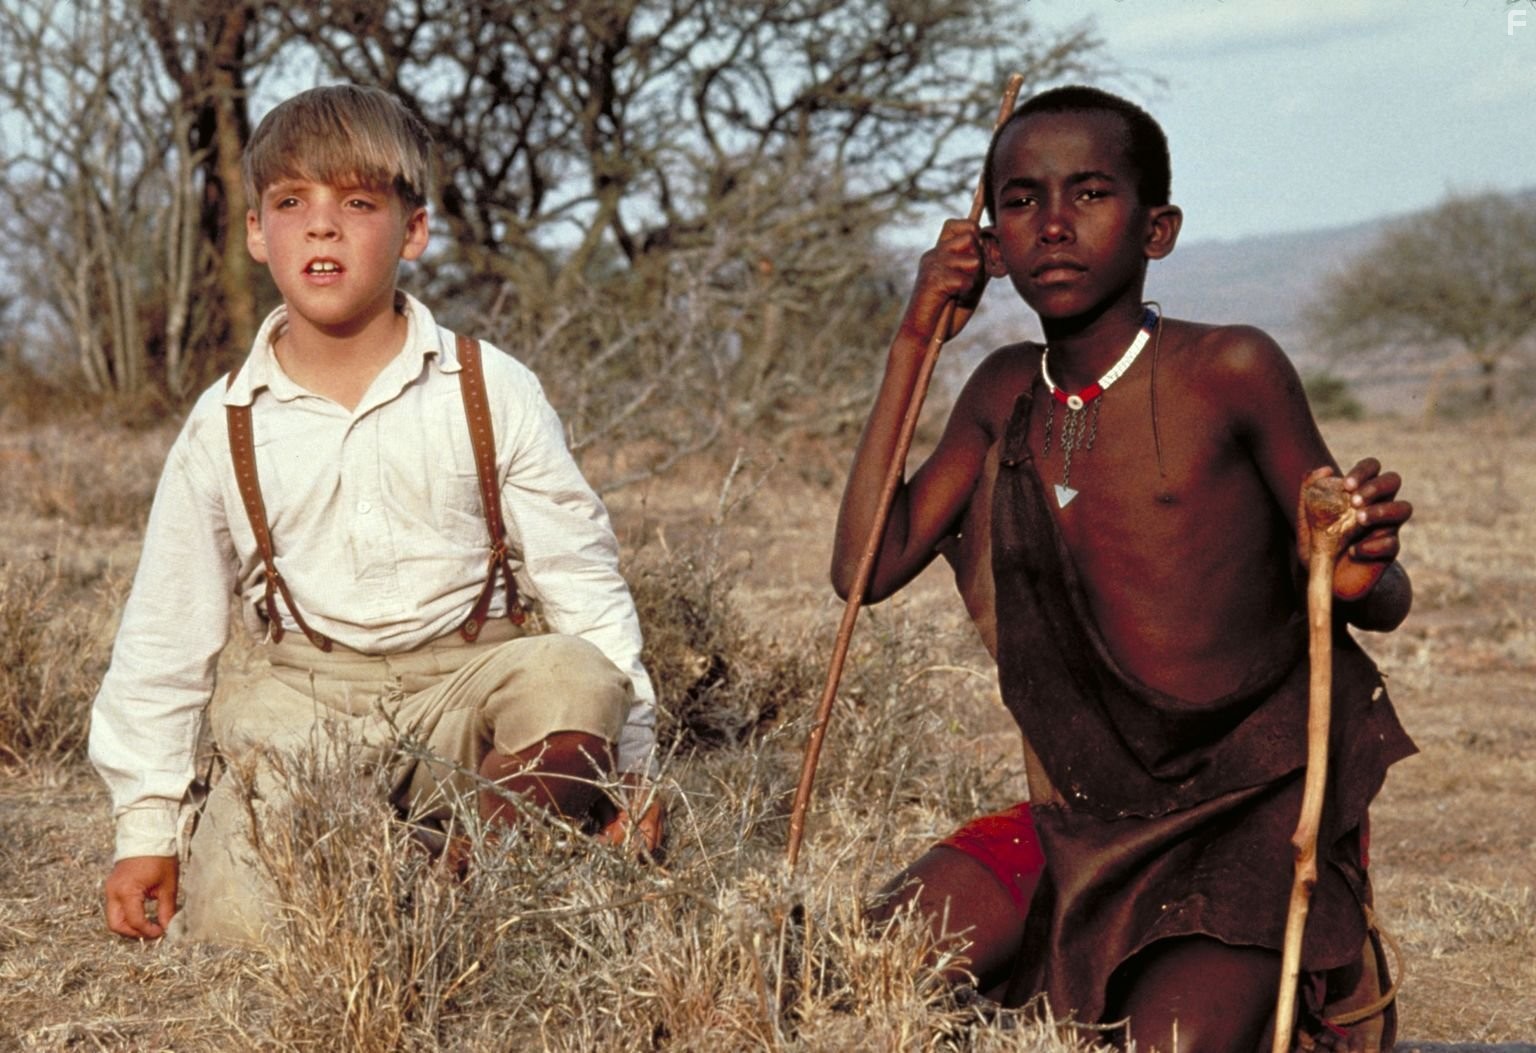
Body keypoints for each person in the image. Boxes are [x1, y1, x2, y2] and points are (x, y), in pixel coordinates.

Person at [832, 85, 1416, 1051]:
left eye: (1090, 194)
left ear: (1159, 229)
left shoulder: (1232, 369)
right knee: (876, 963)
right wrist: (916, 334)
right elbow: (863, 567)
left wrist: (1356, 572)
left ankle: (1314, 978)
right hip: (1083, 822)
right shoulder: (1002, 390)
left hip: (1248, 816)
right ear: (989, 236)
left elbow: (1367, 588)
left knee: (1172, 1043)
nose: (1053, 225)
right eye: (1019, 201)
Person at [90, 84, 662, 947]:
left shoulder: (490, 387)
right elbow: (164, 640)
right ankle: (371, 856)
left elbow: (581, 577)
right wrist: (145, 831)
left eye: (358, 202)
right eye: (292, 203)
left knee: (576, 678)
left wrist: (632, 766)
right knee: (245, 931)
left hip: (467, 692)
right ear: (257, 234)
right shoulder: (224, 422)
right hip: (302, 710)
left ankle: (459, 870)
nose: (323, 226)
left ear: (414, 231)